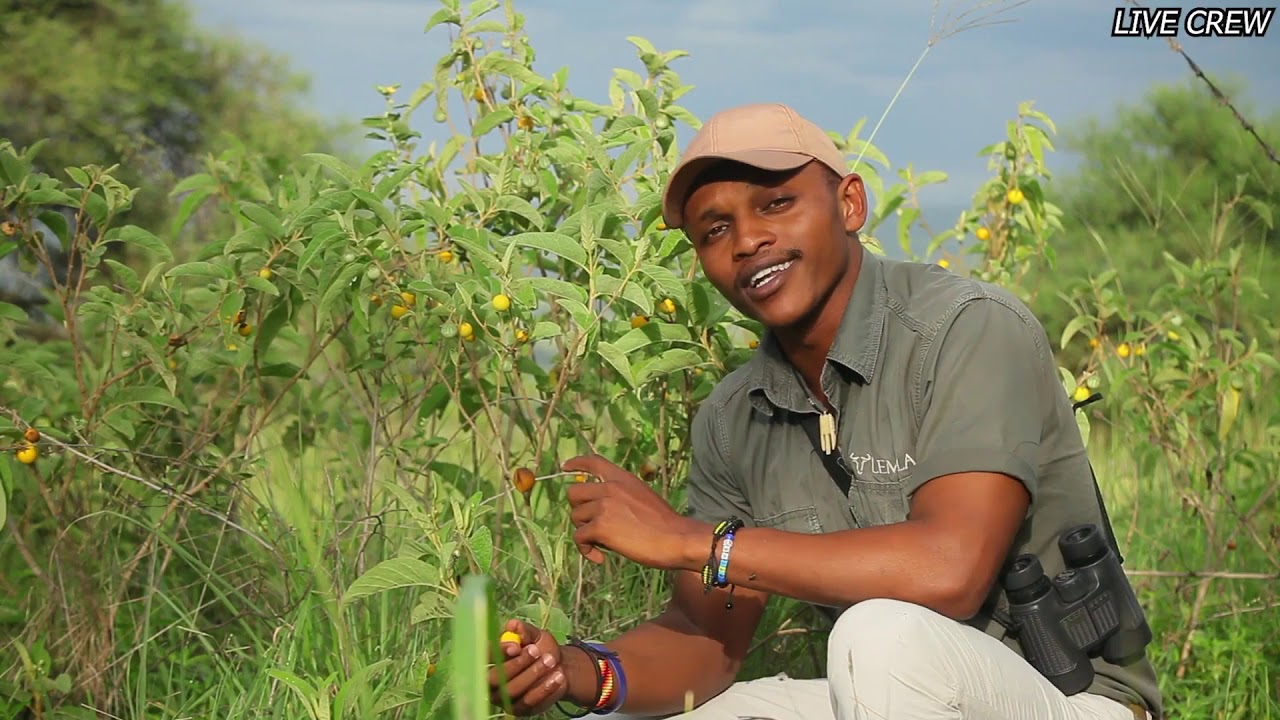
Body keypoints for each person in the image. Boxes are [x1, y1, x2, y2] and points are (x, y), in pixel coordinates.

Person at [487, 102, 1163, 720]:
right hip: (893, 694)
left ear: (849, 203)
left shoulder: (967, 328)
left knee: (876, 636)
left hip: (1072, 700)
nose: (746, 241)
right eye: (715, 229)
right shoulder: (732, 419)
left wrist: (694, 542)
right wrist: (576, 672)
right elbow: (702, 641)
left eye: (776, 203)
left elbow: (949, 569)